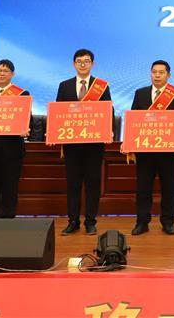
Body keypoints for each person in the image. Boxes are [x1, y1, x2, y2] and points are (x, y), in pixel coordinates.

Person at [55, 48, 112, 235]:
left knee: (93, 184)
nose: (82, 64)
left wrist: (109, 129)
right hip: (72, 145)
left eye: (86, 61)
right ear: (74, 64)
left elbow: (108, 111)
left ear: (92, 64)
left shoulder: (101, 86)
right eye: (79, 61)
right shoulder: (64, 86)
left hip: (94, 145)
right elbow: (58, 113)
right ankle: (73, 221)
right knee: (73, 184)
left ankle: (90, 221)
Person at [129, 60, 174, 236]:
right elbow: (133, 120)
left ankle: (168, 222)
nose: (157, 75)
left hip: (168, 151)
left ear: (168, 75)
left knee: (168, 188)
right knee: (143, 188)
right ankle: (142, 222)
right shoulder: (140, 94)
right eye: (154, 72)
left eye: (161, 72)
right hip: (145, 151)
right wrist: (129, 142)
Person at [0, 59, 30, 219]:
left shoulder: (22, 94)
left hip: (13, 148)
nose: (2, 74)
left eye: (6, 71)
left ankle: (8, 217)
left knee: (10, 185)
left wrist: (25, 129)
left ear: (12, 74)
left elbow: (26, 118)